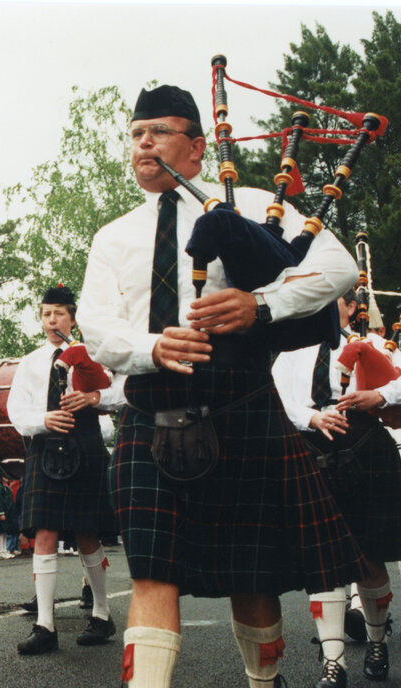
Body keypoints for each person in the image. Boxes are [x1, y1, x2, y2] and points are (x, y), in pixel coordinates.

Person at [75, 84, 366, 687]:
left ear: (197, 148)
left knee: (250, 574)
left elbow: (339, 269)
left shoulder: (253, 204)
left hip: (241, 406)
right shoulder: (113, 236)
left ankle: (264, 682)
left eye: (159, 131)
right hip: (150, 412)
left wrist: (260, 304)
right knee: (152, 572)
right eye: (135, 133)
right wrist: (150, 346)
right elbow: (96, 327)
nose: (144, 143)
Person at [273, 290, 401, 686]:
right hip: (314, 450)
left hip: (367, 449)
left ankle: (377, 641)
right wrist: (313, 418)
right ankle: (334, 661)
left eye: (336, 303)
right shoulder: (293, 350)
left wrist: (380, 394)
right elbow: (276, 395)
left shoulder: (377, 344)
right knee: (323, 558)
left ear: (350, 308)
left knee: (369, 556)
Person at [7, 285, 124, 655]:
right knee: (44, 532)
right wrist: (44, 419)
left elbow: (124, 392)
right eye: (45, 313)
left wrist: (94, 397)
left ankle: (102, 615)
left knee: (88, 533)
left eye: (58, 312)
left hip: (85, 443)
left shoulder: (96, 356)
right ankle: (45, 625)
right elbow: (17, 412)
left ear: (72, 318)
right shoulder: (30, 362)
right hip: (46, 446)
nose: (51, 319)